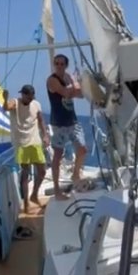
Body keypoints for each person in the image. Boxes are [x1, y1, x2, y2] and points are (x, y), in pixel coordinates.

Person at [2, 84, 49, 214]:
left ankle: (34, 195)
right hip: (21, 143)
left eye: (31, 97)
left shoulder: (36, 104)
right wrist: (5, 99)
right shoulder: (15, 103)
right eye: (28, 97)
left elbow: (41, 121)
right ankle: (27, 202)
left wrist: (45, 135)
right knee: (25, 173)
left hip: (35, 141)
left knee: (42, 171)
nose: (30, 100)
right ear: (22, 94)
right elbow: (6, 107)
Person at [46, 54, 86, 197]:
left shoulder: (68, 77)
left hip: (72, 120)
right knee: (58, 155)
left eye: (62, 63)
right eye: (57, 63)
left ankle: (75, 175)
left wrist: (78, 89)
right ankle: (57, 189)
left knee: (82, 149)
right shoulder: (52, 80)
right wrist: (76, 87)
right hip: (59, 123)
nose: (59, 66)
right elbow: (66, 92)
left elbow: (80, 94)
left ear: (66, 65)